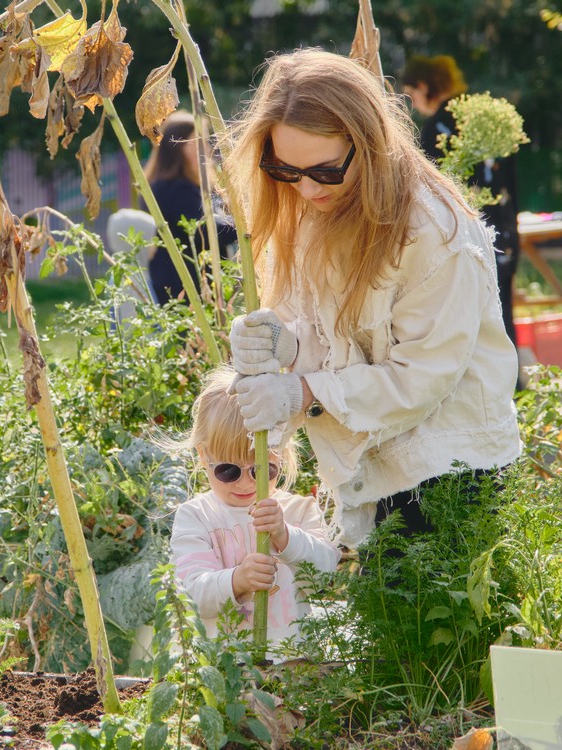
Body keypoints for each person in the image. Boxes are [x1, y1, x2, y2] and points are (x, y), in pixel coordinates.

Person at [222, 49, 522, 550]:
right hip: (373, 469)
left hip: (449, 477)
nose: (306, 188)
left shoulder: (436, 233)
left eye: (324, 170)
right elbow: (337, 337)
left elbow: (420, 376)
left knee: (431, 627)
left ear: (370, 143)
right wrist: (283, 342)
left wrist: (304, 393)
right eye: (285, 170)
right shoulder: (314, 208)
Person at [169, 365, 341, 646]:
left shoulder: (299, 512)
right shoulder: (197, 517)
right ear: (203, 456)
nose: (245, 484)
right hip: (228, 669)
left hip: (295, 663)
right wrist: (237, 580)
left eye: (263, 471)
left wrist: (286, 537)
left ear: (282, 456)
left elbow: (323, 577)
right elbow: (190, 595)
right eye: (228, 471)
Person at [400, 55, 522, 359]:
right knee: (501, 311)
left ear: (425, 86)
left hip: (465, 236)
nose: (413, 104)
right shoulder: (480, 120)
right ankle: (513, 386)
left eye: (412, 95)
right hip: (503, 230)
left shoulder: (437, 127)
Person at [143, 111, 238, 305]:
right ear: (179, 148)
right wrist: (246, 225)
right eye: (199, 142)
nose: (207, 149)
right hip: (184, 289)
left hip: (190, 286)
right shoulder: (173, 188)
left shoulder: (184, 185)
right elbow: (208, 228)